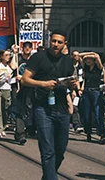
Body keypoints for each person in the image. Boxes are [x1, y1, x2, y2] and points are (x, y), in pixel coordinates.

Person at [21, 30, 77, 180]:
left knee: (60, 150)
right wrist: (43, 84)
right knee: (47, 150)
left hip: (62, 108)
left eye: (59, 42)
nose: (56, 45)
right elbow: (25, 79)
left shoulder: (67, 61)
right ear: (49, 42)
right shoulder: (38, 58)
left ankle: (48, 176)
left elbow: (71, 86)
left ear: (65, 44)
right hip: (43, 108)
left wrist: (73, 85)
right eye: (54, 41)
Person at [79, 52, 105, 144]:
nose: (87, 60)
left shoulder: (98, 68)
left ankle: (102, 134)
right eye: (86, 59)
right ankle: (88, 133)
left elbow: (97, 56)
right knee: (87, 114)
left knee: (98, 114)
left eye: (89, 59)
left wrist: (92, 54)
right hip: (86, 91)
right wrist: (86, 55)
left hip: (96, 91)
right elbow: (78, 55)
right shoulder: (86, 68)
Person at [0, 45, 19, 138]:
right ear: (1, 56)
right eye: (6, 55)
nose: (8, 56)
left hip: (7, 88)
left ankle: (3, 125)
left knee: (5, 108)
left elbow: (14, 66)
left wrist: (14, 53)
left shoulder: (9, 66)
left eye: (9, 55)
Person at [14, 41, 34, 145]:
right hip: (18, 88)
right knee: (19, 110)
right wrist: (14, 54)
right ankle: (20, 133)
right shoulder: (18, 58)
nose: (27, 48)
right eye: (25, 47)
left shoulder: (34, 60)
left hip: (30, 88)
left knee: (30, 110)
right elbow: (13, 67)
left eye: (29, 47)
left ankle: (29, 129)